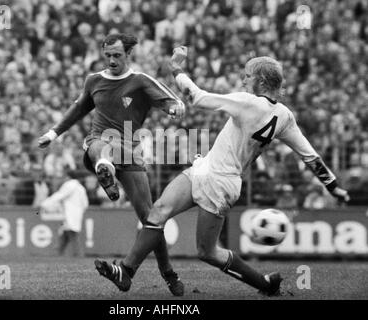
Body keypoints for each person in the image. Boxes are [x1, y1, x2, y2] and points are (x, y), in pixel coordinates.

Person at [94, 46, 350, 296]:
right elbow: (310, 155)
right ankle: (125, 272)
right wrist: (333, 186)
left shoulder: (249, 101)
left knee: (207, 252)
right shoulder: (284, 116)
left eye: (248, 75)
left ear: (261, 81)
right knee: (159, 211)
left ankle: (263, 283)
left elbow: (198, 97)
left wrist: (176, 70)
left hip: (222, 182)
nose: (243, 79)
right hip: (206, 168)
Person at [38, 33, 186, 295]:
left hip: (129, 154)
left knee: (151, 219)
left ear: (128, 54)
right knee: (98, 144)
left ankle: (168, 274)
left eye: (117, 55)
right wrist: (52, 134)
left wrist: (175, 109)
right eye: (107, 55)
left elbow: (173, 101)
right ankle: (104, 168)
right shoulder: (94, 80)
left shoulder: (140, 81)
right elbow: (77, 110)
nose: (112, 60)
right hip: (98, 143)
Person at [40, 170, 88, 257]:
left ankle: (78, 255)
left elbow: (59, 195)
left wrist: (45, 203)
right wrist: (79, 212)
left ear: (68, 177)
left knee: (72, 234)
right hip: (76, 215)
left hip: (69, 214)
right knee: (65, 233)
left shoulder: (69, 185)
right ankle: (58, 254)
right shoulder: (81, 188)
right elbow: (85, 204)